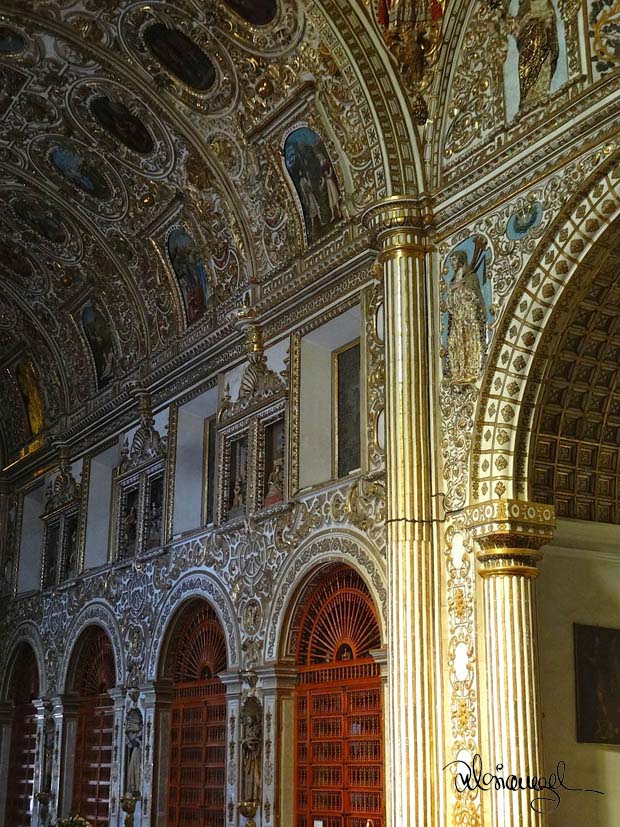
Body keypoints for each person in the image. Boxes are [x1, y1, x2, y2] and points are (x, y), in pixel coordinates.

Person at [446, 250, 487, 384]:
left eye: (454, 260)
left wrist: (462, 288)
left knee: (469, 342)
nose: (452, 263)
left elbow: (475, 297)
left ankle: (471, 370)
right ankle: (458, 372)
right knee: (454, 344)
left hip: (468, 316)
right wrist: (452, 291)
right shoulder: (453, 280)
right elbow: (450, 304)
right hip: (457, 318)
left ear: (461, 260)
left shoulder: (470, 277)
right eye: (451, 260)